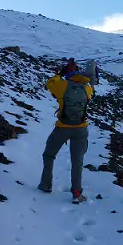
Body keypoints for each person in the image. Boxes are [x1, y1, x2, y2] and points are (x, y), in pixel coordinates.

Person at [38, 68, 93, 203]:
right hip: (81, 129)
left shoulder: (62, 85)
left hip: (62, 128)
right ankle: (77, 194)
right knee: (77, 162)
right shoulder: (87, 88)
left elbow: (49, 83)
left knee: (49, 155)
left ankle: (46, 185)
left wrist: (59, 74)